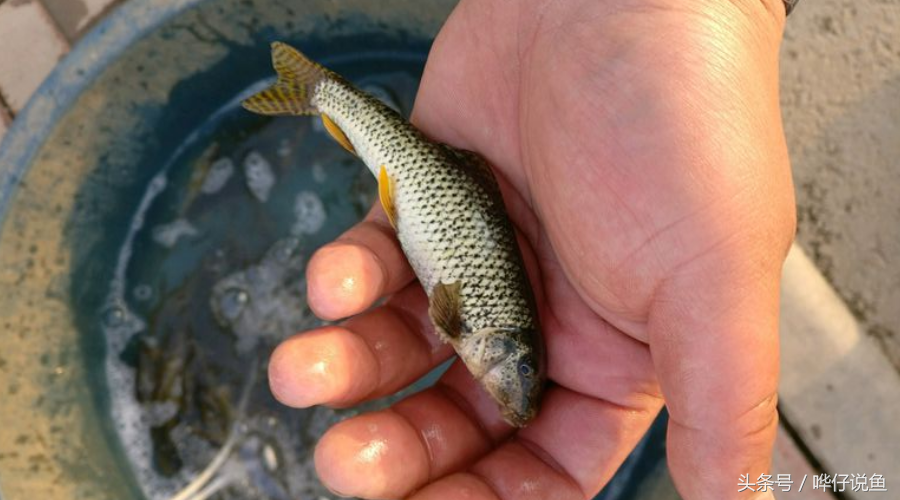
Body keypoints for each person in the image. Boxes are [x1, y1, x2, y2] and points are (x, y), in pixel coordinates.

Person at [267, 0, 796, 498]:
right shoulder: (467, 328)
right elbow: (447, 310)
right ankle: (324, 93)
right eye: (518, 383)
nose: (515, 403)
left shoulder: (472, 330)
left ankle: (322, 94)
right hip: (435, 195)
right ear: (504, 353)